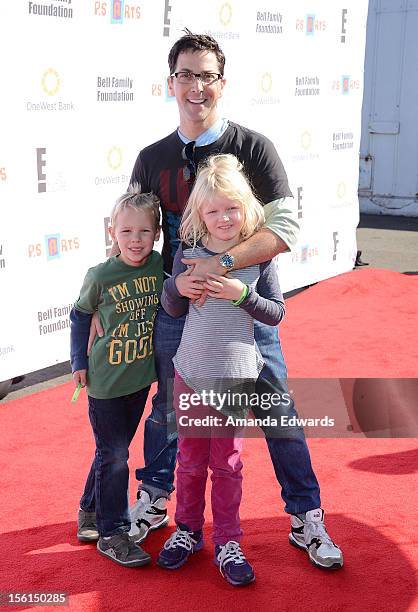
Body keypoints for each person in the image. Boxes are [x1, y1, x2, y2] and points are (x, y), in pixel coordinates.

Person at [94, 30, 343, 571]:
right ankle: (158, 501)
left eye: (206, 75)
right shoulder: (151, 157)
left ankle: (305, 515)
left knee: (275, 408)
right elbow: (133, 236)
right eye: (186, 74)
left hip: (245, 302)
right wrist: (102, 308)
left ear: (221, 83)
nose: (196, 86)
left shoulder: (254, 148)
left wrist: (223, 265)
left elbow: (285, 226)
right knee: (170, 409)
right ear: (171, 83)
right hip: (179, 303)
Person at [156, 153, 285, 585]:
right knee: (190, 462)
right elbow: (171, 307)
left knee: (227, 464)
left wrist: (238, 294)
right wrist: (177, 285)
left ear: (245, 205)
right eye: (213, 211)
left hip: (234, 376)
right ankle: (187, 531)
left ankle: (228, 539)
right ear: (199, 214)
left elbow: (275, 314)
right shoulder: (188, 253)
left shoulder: (259, 255)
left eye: (231, 207)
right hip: (190, 373)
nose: (224, 217)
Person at [70, 185, 163, 567]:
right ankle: (113, 532)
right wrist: (78, 361)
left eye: (143, 232)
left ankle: (89, 510)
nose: (135, 240)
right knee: (117, 455)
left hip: (139, 380)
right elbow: (79, 314)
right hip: (105, 384)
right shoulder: (101, 274)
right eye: (126, 232)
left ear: (156, 234)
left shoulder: (160, 266)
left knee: (112, 451)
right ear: (112, 232)